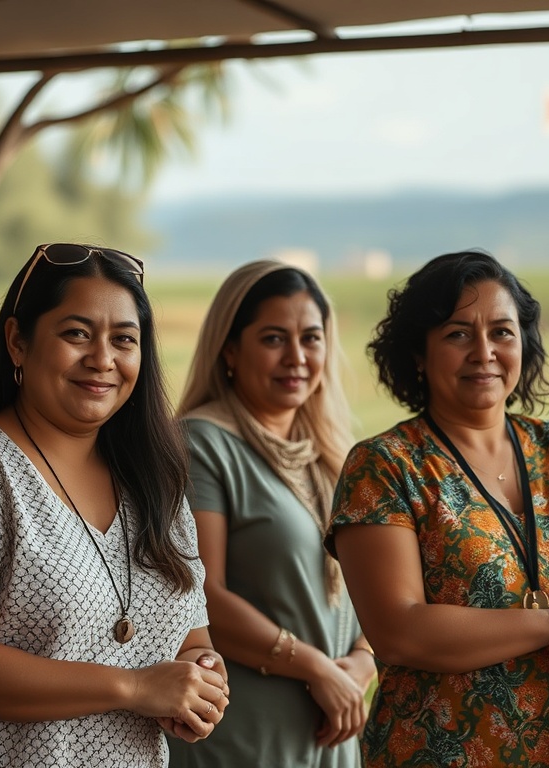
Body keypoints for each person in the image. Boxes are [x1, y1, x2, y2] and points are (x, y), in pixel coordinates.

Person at [0, 243, 230, 767]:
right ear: (18, 341)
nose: (102, 359)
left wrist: (201, 678)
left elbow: (189, 638)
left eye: (124, 340)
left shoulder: (155, 478)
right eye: (77, 334)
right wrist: (134, 688)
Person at [327, 249, 549, 767]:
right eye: (458, 333)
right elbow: (398, 632)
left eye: (502, 332)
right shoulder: (385, 466)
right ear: (419, 351)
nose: (483, 351)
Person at [168, 260, 375, 768]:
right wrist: (317, 670)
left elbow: (378, 578)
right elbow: (201, 594)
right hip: (241, 739)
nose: (297, 357)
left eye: (311, 338)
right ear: (231, 349)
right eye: (274, 339)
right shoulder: (201, 444)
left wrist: (363, 663)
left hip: (330, 730)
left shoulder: (333, 455)